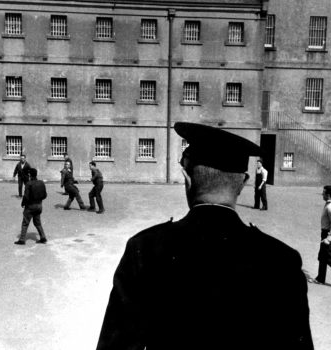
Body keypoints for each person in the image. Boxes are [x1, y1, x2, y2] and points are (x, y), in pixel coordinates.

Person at [96, 122, 313, 350]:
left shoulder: (145, 248)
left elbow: (115, 345)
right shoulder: (281, 260)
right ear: (243, 184)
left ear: (187, 179)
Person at [15, 168, 48, 245]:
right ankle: (43, 237)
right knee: (37, 223)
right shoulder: (41, 183)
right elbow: (45, 195)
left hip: (30, 206)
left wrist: (23, 203)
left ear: (30, 175)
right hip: (39, 206)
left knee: (25, 223)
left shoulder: (28, 184)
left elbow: (26, 197)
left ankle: (22, 240)